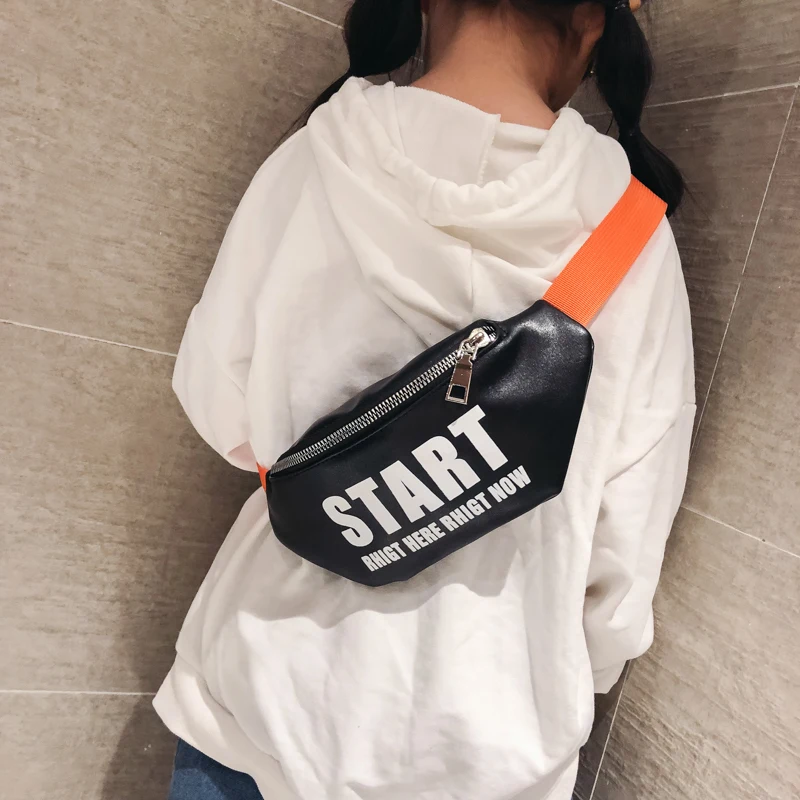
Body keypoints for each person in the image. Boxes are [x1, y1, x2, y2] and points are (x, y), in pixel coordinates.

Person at [155, 0, 696, 798]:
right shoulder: (632, 235)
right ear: (595, 18)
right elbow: (624, 553)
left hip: (262, 700)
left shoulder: (316, 159)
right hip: (485, 749)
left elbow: (219, 407)